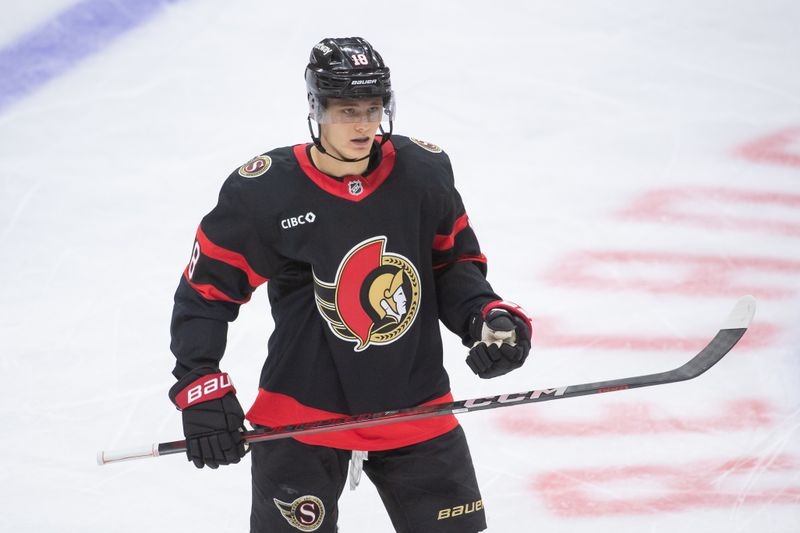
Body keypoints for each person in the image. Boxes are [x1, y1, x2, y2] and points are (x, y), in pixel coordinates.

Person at [168, 36, 533, 533]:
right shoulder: (264, 193)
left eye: (372, 107)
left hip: (415, 405)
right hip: (302, 417)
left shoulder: (423, 174)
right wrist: (199, 383)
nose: (363, 124)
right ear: (316, 110)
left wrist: (484, 316)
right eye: (346, 110)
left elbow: (452, 265)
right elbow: (206, 293)